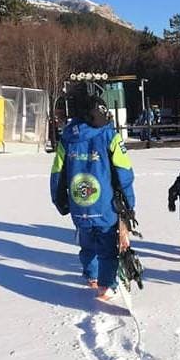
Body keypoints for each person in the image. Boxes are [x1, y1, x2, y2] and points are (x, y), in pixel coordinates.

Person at [50, 87, 136, 301]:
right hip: (105, 205)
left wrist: (60, 200)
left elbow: (57, 173)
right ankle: (105, 286)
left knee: (87, 241)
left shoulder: (67, 138)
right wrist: (129, 204)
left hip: (79, 204)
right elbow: (124, 173)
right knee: (107, 246)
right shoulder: (110, 136)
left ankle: (91, 275)